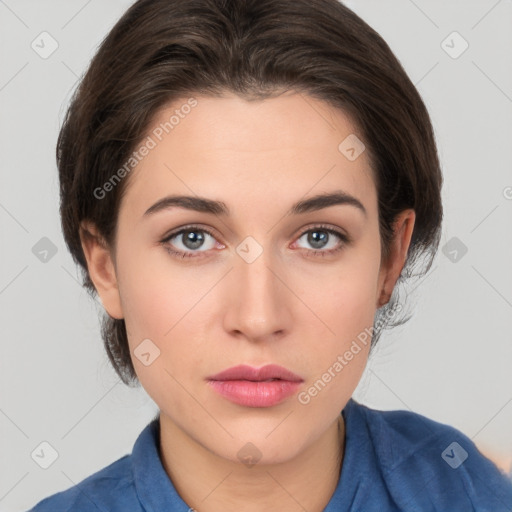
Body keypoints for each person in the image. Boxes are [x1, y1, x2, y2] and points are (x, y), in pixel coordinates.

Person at [27, 0, 512, 510]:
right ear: (105, 267)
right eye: (191, 238)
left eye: (318, 237)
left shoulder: (470, 492)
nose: (258, 318)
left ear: (390, 259)